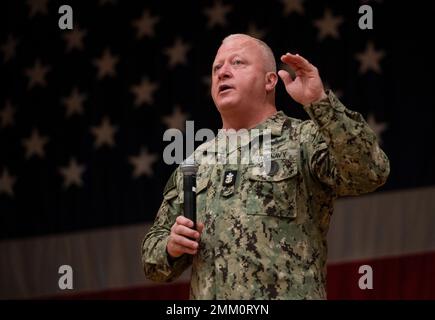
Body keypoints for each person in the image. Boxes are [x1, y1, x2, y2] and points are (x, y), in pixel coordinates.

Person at [141, 34, 390, 299]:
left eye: (237, 63)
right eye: (216, 68)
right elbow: (152, 263)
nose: (223, 72)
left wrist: (319, 103)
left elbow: (371, 171)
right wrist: (171, 247)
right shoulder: (195, 163)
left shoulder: (304, 139)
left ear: (270, 81)